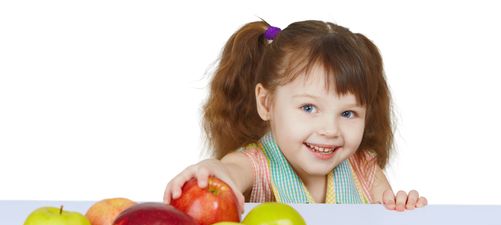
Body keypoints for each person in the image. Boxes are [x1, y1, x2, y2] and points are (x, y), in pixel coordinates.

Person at [163, 19, 428, 213]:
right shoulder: (257, 166)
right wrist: (213, 170)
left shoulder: (365, 168)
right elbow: (230, 171)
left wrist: (403, 208)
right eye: (309, 108)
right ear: (266, 103)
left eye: (348, 113)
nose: (330, 129)